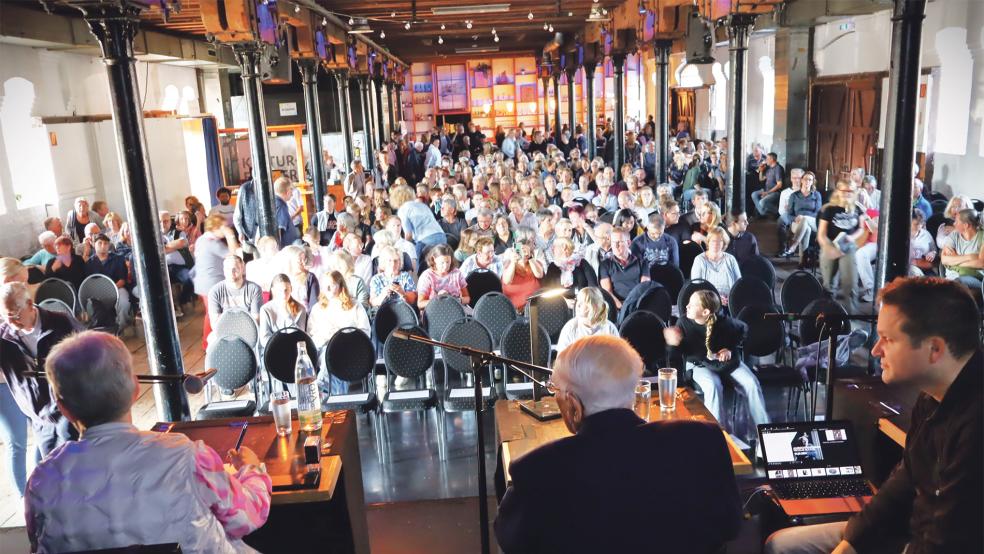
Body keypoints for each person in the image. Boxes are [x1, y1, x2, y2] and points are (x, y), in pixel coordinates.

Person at [764, 277, 982, 554]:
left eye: (888, 339)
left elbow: (950, 539)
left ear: (935, 349)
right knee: (781, 546)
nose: (876, 350)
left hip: (932, 544)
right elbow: (905, 481)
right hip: (909, 531)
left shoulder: (976, 424)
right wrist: (852, 542)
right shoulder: (931, 396)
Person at [25, 331, 271, 553]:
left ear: (63, 408)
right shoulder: (184, 456)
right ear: (135, 389)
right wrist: (252, 469)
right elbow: (246, 516)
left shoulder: (42, 482)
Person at [494, 334, 743, 554]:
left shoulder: (538, 470)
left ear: (573, 405)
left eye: (554, 390)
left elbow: (512, 540)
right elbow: (730, 525)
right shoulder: (703, 441)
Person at [663, 289, 769, 434]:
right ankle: (716, 434)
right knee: (713, 386)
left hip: (724, 363)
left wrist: (730, 349)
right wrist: (672, 343)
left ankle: (763, 433)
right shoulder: (683, 322)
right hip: (699, 364)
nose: (686, 306)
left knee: (751, 383)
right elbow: (678, 354)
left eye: (692, 305)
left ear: (706, 312)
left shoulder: (723, 321)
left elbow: (743, 329)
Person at [0, 282, 82, 460]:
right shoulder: (3, 337)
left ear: (30, 304)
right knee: (51, 469)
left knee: (78, 466)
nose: (11, 322)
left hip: (70, 412)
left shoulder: (61, 322)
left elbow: (92, 353)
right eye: (5, 316)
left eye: (15, 315)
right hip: (38, 417)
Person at [818, 180, 867, 313]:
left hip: (848, 247)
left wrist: (852, 237)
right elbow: (821, 234)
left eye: (850, 191)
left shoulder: (858, 208)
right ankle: (827, 315)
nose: (847, 194)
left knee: (850, 284)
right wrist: (828, 248)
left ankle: (850, 317)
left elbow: (861, 229)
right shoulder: (828, 209)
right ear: (838, 191)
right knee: (829, 285)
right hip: (830, 245)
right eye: (844, 190)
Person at [207, 255, 263, 338]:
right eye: (228, 269)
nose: (231, 273)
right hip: (224, 333)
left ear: (242, 269)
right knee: (211, 343)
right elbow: (215, 324)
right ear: (223, 270)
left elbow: (256, 320)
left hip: (249, 332)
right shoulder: (215, 291)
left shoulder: (254, 289)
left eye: (235, 269)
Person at [84, 234, 131, 328]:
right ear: (94, 244)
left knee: (124, 303)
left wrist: (110, 290)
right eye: (100, 243)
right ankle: (103, 328)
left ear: (109, 245)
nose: (103, 246)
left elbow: (122, 280)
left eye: (105, 243)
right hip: (97, 292)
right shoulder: (89, 263)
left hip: (118, 288)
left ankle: (122, 327)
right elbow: (89, 283)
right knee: (91, 304)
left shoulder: (118, 259)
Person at [390, 184, 447, 260]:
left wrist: (404, 247)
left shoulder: (403, 210)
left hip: (426, 240)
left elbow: (408, 234)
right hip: (442, 236)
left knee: (415, 263)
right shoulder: (422, 205)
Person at [555, 287, 619, 353]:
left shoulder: (609, 328)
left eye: (583, 302)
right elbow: (560, 359)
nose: (578, 305)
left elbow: (619, 357)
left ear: (594, 306)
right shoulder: (570, 327)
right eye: (578, 301)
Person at [690, 228, 742, 306]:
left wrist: (730, 298)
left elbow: (738, 283)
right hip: (707, 302)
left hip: (729, 302)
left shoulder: (731, 259)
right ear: (708, 242)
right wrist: (716, 298)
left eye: (720, 241)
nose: (716, 244)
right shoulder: (699, 260)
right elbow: (696, 287)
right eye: (713, 241)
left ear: (724, 243)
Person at [599, 227, 649, 308]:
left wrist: (633, 306)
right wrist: (622, 307)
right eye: (613, 242)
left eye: (619, 242)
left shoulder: (642, 262)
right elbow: (607, 291)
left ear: (628, 243)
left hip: (637, 304)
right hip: (616, 306)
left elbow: (644, 287)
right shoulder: (605, 265)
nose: (615, 245)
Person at [258, 273, 308, 352]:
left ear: (291, 289)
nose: (283, 294)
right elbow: (264, 339)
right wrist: (281, 346)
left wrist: (286, 314)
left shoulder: (300, 309)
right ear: (273, 291)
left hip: (293, 349)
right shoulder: (265, 309)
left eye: (286, 290)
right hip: (273, 350)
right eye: (279, 291)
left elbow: (300, 336)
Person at [780, 170, 823, 259]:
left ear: (812, 182)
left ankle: (794, 245)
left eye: (810, 180)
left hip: (813, 222)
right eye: (806, 179)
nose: (807, 181)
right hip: (797, 222)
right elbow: (789, 214)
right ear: (802, 180)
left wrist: (804, 217)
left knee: (805, 220)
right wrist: (795, 219)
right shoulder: (794, 195)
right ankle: (802, 260)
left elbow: (818, 213)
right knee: (806, 229)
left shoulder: (817, 195)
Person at [939, 208, 984, 291]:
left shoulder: (982, 236)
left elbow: (981, 263)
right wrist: (970, 256)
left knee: (958, 283)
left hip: (977, 279)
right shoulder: (954, 235)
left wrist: (955, 261)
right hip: (952, 276)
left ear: (966, 225)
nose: (954, 224)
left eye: (956, 221)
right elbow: (944, 259)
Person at [416, 244, 469, 310]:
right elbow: (420, 304)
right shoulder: (427, 276)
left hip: (454, 310)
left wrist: (454, 300)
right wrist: (438, 300)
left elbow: (467, 298)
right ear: (434, 259)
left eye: (448, 262)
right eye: (442, 262)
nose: (445, 266)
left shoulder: (457, 273)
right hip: (434, 311)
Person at [501, 237, 544, 311]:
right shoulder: (508, 264)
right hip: (514, 311)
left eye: (525, 250)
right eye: (520, 250)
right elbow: (507, 280)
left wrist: (530, 257)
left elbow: (539, 274)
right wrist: (513, 261)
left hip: (534, 308)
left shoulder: (535, 263)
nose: (523, 253)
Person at [751, 152, 785, 218]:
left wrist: (767, 193)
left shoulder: (778, 168)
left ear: (772, 159)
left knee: (761, 203)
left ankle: (778, 212)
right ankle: (762, 212)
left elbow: (779, 185)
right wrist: (761, 171)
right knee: (754, 194)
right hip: (766, 190)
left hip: (775, 192)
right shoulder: (769, 169)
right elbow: (761, 179)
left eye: (767, 159)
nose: (766, 160)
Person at [908, 210, 937, 277]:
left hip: (925, 268)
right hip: (908, 267)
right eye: (916, 224)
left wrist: (932, 254)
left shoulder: (926, 234)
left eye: (921, 223)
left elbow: (934, 251)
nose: (920, 226)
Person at [273, 177, 300, 247]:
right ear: (287, 191)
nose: (292, 193)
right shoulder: (281, 206)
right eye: (291, 189)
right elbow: (279, 230)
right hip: (286, 249)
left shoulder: (277, 203)